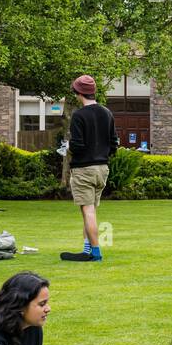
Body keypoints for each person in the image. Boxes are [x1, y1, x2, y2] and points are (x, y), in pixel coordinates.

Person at [60, 75, 119, 262]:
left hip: (84, 169)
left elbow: (78, 145)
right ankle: (87, 249)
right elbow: (114, 143)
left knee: (88, 211)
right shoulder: (106, 113)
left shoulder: (78, 115)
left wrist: (68, 147)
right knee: (90, 209)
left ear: (78, 93)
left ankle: (95, 253)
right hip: (102, 168)